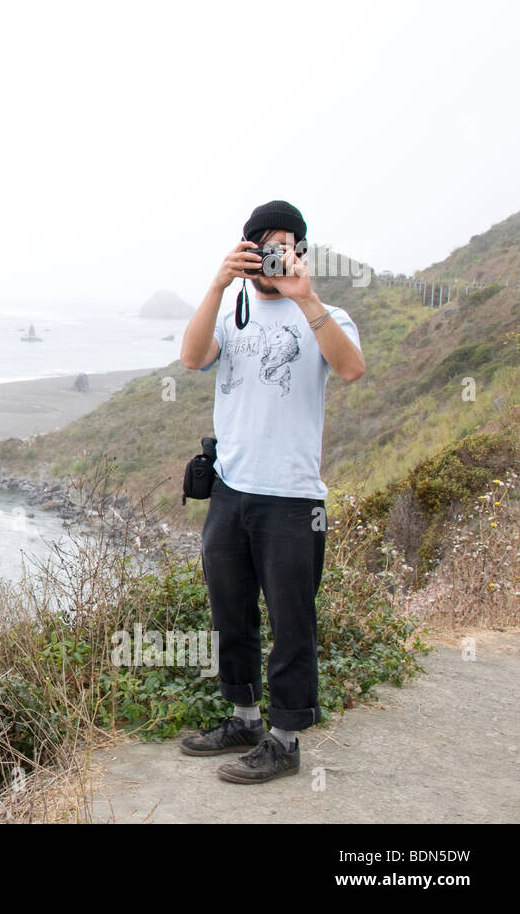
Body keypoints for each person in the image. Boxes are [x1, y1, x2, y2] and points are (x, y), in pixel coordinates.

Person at [177, 199, 365, 783]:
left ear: (302, 253)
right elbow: (190, 358)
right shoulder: (230, 308)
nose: (275, 255)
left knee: (291, 620)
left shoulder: (326, 313)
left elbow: (352, 369)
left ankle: (286, 740)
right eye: (264, 245)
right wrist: (216, 282)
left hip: (293, 497)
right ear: (248, 250)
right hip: (232, 488)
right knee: (230, 612)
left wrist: (306, 298)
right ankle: (245, 718)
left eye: (287, 245)